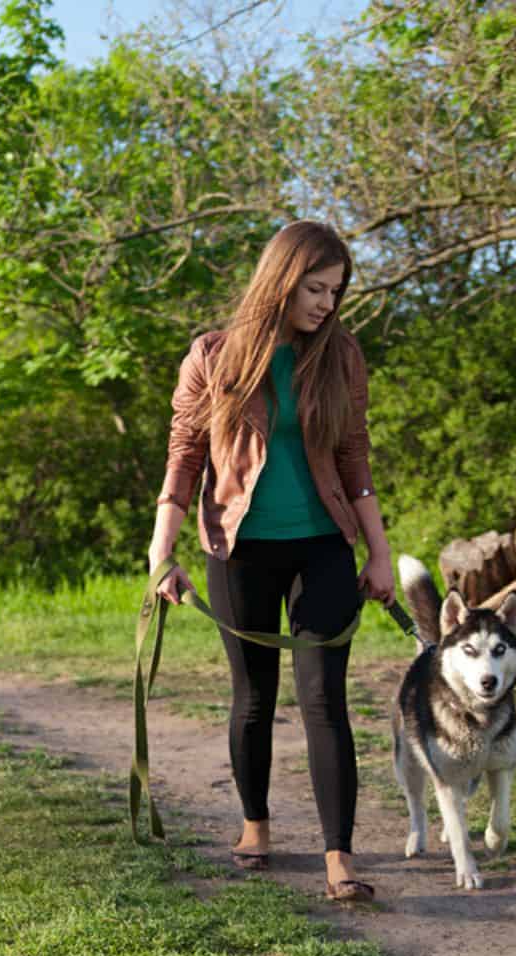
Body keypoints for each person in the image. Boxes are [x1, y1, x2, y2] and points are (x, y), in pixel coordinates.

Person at [147, 220, 394, 902]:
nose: (326, 303)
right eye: (315, 288)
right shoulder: (214, 355)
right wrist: (160, 552)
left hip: (322, 545)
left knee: (324, 701)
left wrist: (379, 551)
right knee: (253, 697)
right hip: (239, 546)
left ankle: (339, 856)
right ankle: (255, 824)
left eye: (336, 291)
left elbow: (355, 458)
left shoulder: (339, 355)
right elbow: (184, 456)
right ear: (281, 279)